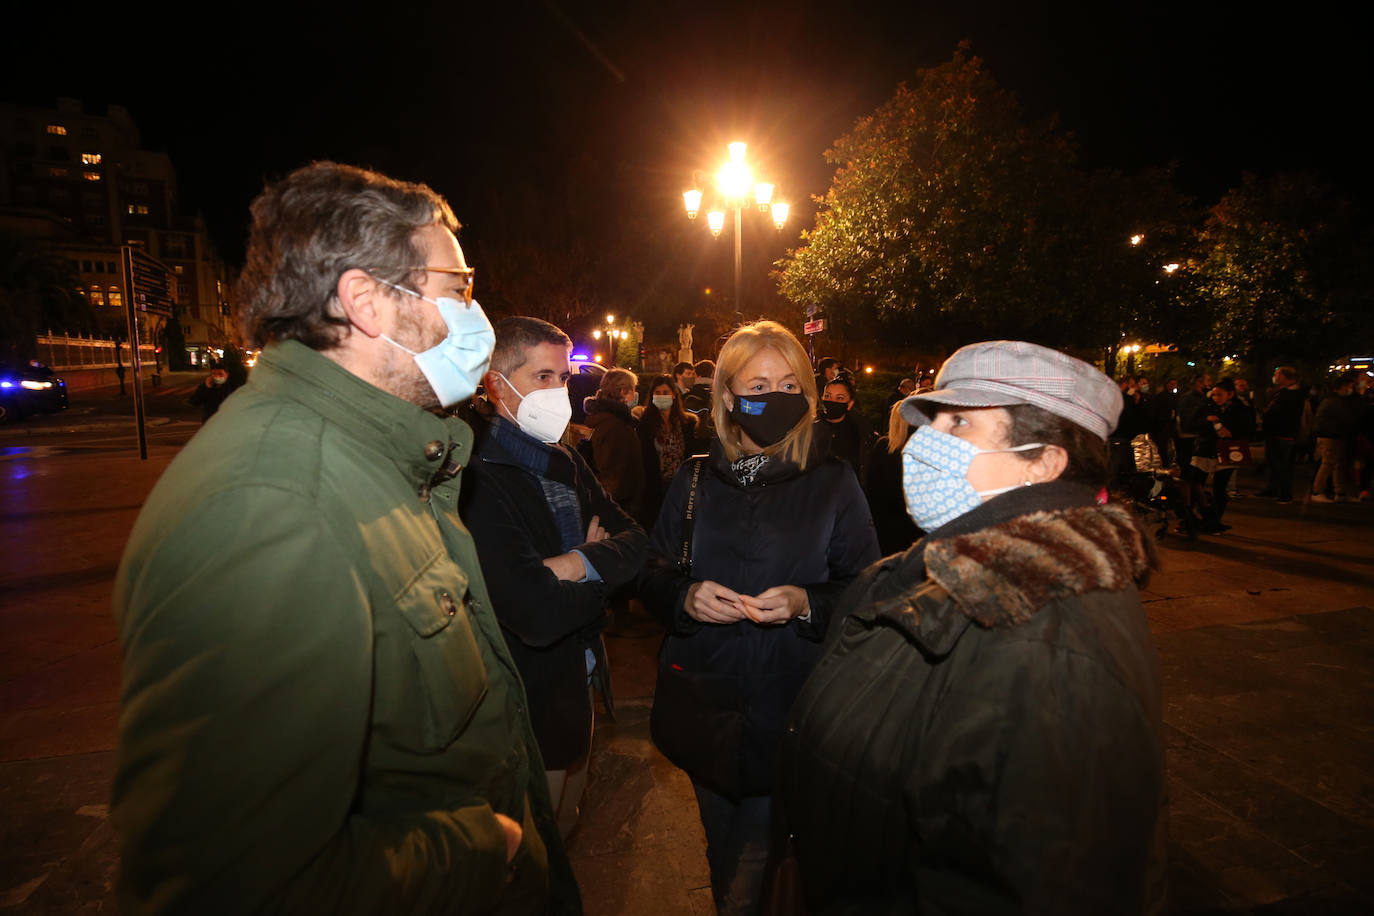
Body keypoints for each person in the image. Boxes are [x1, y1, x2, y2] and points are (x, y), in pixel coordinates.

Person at [111, 163, 579, 913]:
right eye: (456, 288)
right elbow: (236, 883)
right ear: (366, 302)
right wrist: (486, 848)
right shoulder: (268, 510)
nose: (474, 312)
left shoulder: (385, 455)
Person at [778, 340, 1166, 914]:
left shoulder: (1048, 639)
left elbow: (1039, 881)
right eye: (935, 418)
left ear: (1045, 461)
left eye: (960, 422)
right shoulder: (966, 571)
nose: (928, 441)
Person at [638, 320, 880, 916]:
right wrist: (683, 599)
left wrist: (806, 603)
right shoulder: (694, 478)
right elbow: (650, 572)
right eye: (758, 384)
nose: (776, 397)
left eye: (790, 384)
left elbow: (867, 591)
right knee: (729, 867)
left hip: (796, 714)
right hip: (707, 713)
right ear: (726, 396)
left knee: (763, 880)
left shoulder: (834, 481)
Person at [462, 317, 647, 840]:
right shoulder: (480, 474)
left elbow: (635, 540)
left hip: (581, 674)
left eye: (564, 379)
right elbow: (536, 614)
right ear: (497, 384)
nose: (559, 392)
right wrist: (599, 570)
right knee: (534, 851)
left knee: (568, 825)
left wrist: (575, 563)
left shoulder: (565, 459)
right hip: (524, 700)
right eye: (543, 377)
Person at [637, 372, 706, 528]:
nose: (662, 396)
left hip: (681, 485)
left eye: (666, 392)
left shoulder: (686, 423)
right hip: (655, 487)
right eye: (658, 393)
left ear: (674, 395)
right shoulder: (645, 424)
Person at [583, 367, 646, 520]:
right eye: (633, 389)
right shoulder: (614, 425)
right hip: (622, 507)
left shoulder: (616, 421)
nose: (635, 394)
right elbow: (612, 472)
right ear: (623, 391)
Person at [863, 400, 922, 555]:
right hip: (912, 525)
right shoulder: (919, 450)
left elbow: (871, 487)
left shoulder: (883, 447)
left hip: (885, 524)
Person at [813, 375, 875, 480]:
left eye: (839, 398)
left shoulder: (860, 431)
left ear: (850, 404)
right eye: (827, 396)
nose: (832, 401)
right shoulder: (811, 428)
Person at [1310, 372, 1359, 502]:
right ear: (1342, 387)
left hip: (1336, 435)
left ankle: (1339, 492)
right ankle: (1317, 491)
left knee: (1337, 465)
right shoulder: (1333, 401)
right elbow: (1347, 418)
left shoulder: (1335, 400)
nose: (1351, 389)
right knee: (1328, 464)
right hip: (1330, 436)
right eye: (1349, 386)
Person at [1262, 366, 1306, 504]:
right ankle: (1272, 488)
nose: (1275, 377)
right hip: (1274, 432)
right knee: (1273, 463)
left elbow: (1284, 413)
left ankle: (1285, 493)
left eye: (1277, 374)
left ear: (1285, 377)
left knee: (1283, 464)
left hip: (1283, 433)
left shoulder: (1294, 394)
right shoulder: (1282, 392)